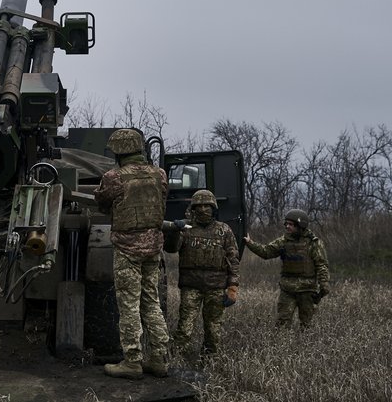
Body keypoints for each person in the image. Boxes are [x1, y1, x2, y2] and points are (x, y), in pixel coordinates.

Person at [94, 129, 170, 380]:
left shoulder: (113, 177)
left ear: (118, 152)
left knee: (129, 306)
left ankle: (132, 361)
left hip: (127, 248)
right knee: (151, 303)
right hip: (153, 247)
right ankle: (159, 359)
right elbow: (162, 201)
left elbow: (103, 204)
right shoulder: (159, 174)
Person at [164, 189, 240, 361]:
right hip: (191, 286)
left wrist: (233, 287)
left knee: (213, 329)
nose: (203, 209)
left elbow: (233, 260)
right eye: (199, 206)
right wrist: (175, 230)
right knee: (184, 328)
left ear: (214, 208)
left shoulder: (224, 230)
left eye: (207, 206)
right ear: (193, 208)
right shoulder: (186, 228)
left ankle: (210, 361)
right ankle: (176, 360)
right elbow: (171, 249)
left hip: (216, 287)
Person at [244, 209, 330, 328]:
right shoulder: (284, 241)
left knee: (307, 325)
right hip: (287, 289)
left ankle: (304, 345)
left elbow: (321, 265)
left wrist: (324, 284)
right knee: (282, 323)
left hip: (307, 289)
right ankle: (282, 345)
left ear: (300, 225)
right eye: (286, 224)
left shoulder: (314, 243)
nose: (287, 227)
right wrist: (250, 243)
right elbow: (266, 252)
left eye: (291, 224)